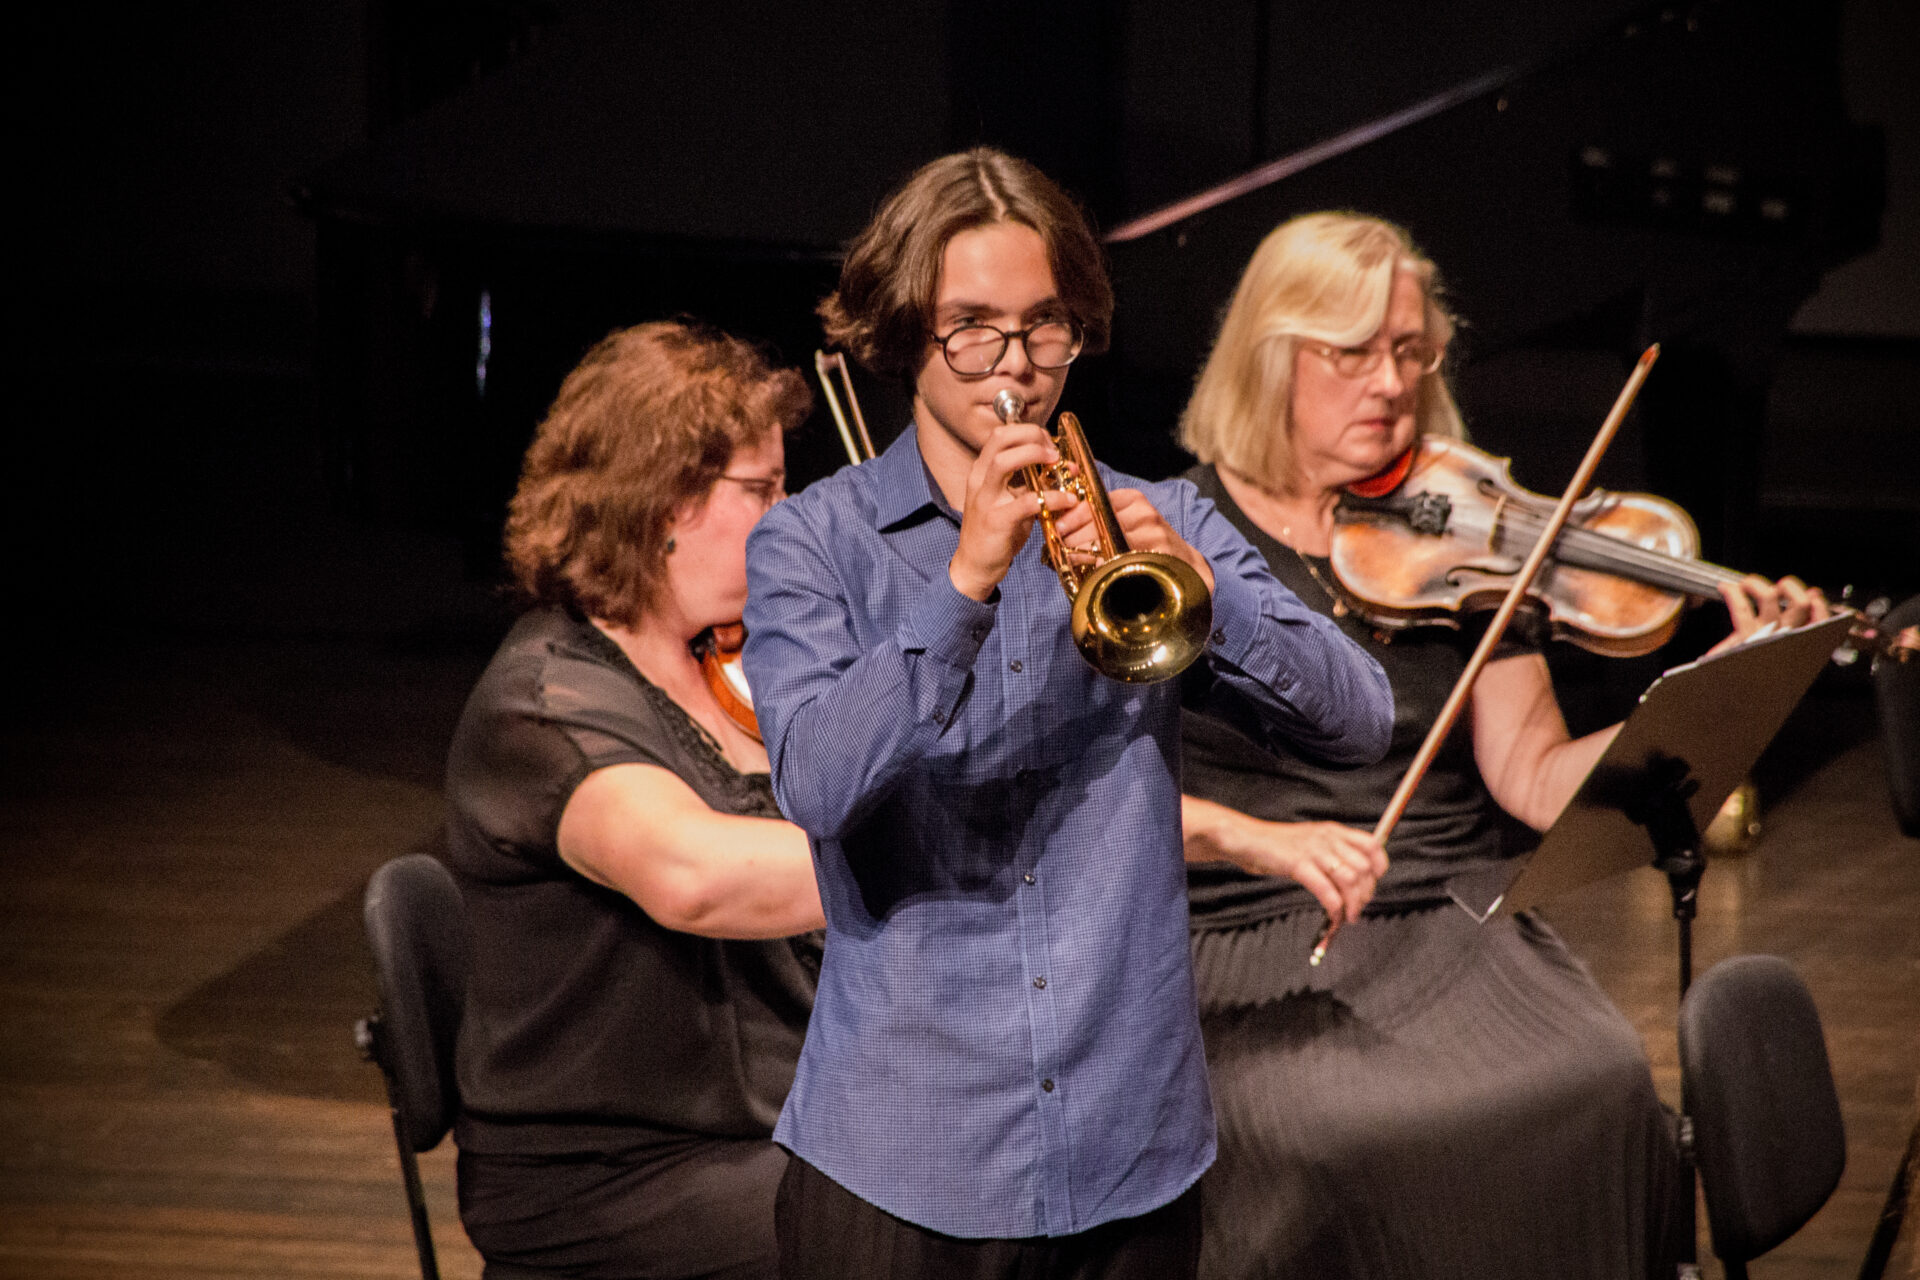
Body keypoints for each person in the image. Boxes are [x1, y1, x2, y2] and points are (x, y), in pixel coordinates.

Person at [739, 149, 1394, 1279]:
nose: (1017, 365)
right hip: (905, 1158)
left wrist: (1214, 593)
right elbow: (816, 785)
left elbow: (1362, 722)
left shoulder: (1161, 515)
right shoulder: (811, 541)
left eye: (1045, 326)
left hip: (1129, 1154)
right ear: (906, 333)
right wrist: (963, 586)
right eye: (973, 328)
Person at [1174, 211, 1829, 1279]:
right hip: (1256, 929)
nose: (1391, 383)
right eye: (1353, 353)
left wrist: (1729, 682)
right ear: (1269, 354)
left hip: (1452, 916)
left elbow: (1534, 776)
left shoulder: (1463, 536)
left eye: (1411, 351)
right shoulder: (1172, 535)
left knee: (1604, 1080)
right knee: (1342, 1128)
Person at [443, 320, 825, 1279]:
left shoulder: (729, 661)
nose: (791, 516)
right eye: (763, 490)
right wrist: (952, 846)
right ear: (665, 502)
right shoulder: (542, 709)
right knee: (950, 1225)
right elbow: (697, 876)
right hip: (619, 1176)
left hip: (771, 1122)